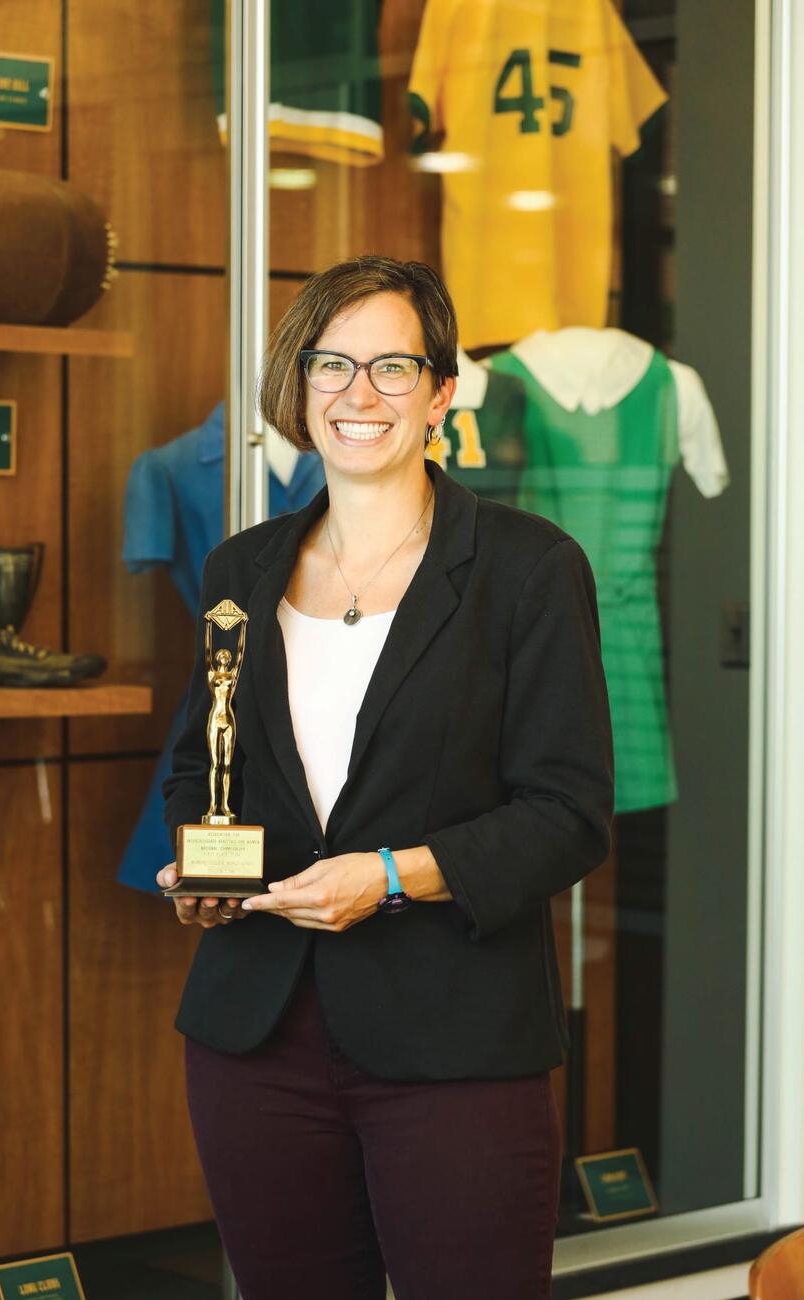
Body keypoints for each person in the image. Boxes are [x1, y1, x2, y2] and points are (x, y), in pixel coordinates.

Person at [158, 255, 614, 1300]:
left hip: (457, 1041)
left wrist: (394, 875)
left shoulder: (528, 569)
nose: (358, 395)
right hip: (255, 1036)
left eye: (393, 366)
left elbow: (568, 815)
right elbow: (200, 763)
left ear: (442, 391)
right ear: (299, 385)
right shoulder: (243, 569)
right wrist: (205, 869)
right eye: (331, 365)